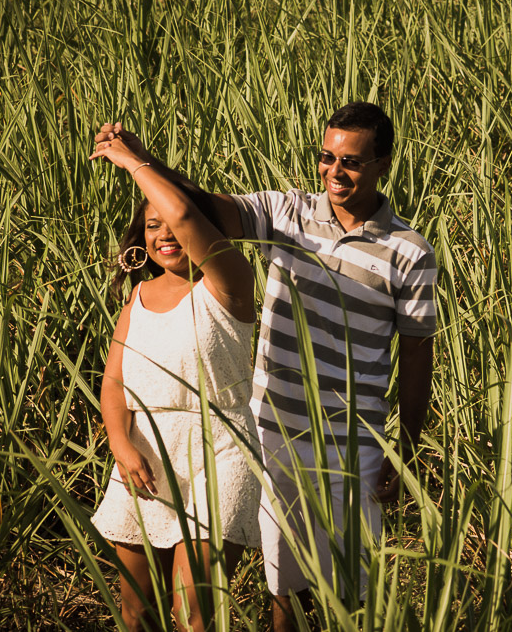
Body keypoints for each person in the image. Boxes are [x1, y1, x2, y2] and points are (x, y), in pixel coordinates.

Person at [95, 102, 437, 632]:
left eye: (351, 161)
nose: (334, 171)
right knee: (282, 586)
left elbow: (416, 355)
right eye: (326, 157)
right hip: (272, 424)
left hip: (354, 438)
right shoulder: (287, 213)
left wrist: (404, 447)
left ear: (384, 163)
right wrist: (146, 160)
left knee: (339, 589)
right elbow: (201, 209)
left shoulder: (410, 251)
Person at [88, 133, 261, 632]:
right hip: (143, 454)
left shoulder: (228, 284)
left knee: (192, 616)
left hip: (221, 451)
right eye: (150, 226)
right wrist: (121, 445)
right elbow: (113, 385)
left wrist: (132, 162)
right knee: (136, 612)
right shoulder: (137, 299)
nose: (164, 235)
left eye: (173, 225)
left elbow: (187, 216)